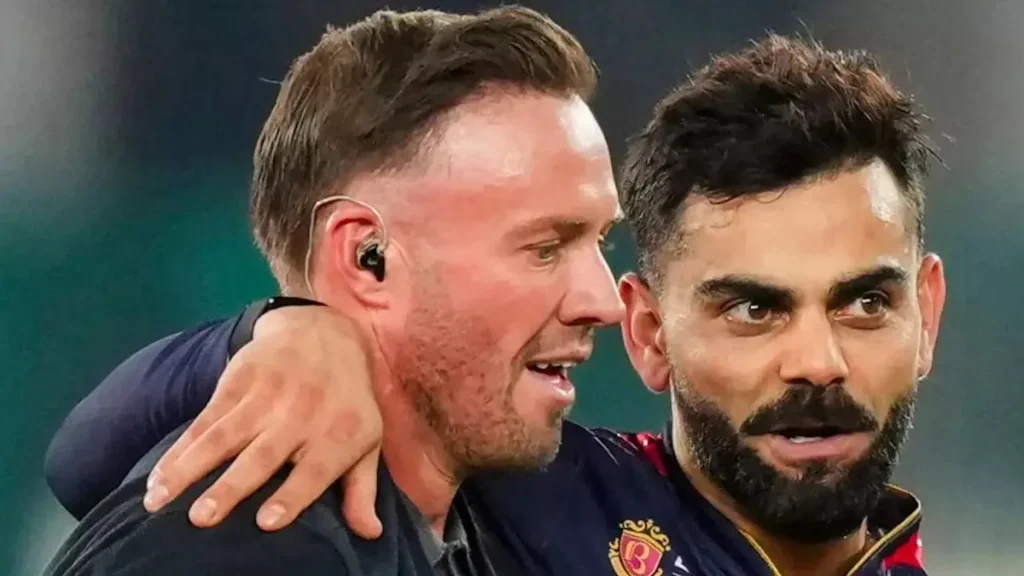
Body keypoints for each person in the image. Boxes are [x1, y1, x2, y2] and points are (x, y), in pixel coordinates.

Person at [47, 34, 946, 576]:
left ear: (927, 316)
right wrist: (283, 331)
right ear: (651, 332)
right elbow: (88, 459)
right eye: (752, 311)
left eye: (866, 303)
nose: (817, 362)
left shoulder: (464, 493)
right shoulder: (541, 499)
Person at [43, 6, 623, 575]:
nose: (605, 301)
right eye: (545, 248)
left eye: (601, 241)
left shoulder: (498, 522)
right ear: (369, 259)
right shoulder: (247, 546)